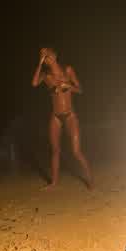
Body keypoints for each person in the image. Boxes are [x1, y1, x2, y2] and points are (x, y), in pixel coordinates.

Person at [31, 47, 93, 189]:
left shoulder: (68, 71)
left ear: (54, 56)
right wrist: (39, 63)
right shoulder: (46, 76)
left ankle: (90, 179)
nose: (45, 58)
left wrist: (68, 86)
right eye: (43, 57)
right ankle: (54, 182)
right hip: (56, 116)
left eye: (47, 55)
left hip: (70, 115)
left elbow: (80, 89)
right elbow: (34, 83)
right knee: (55, 150)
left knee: (76, 151)